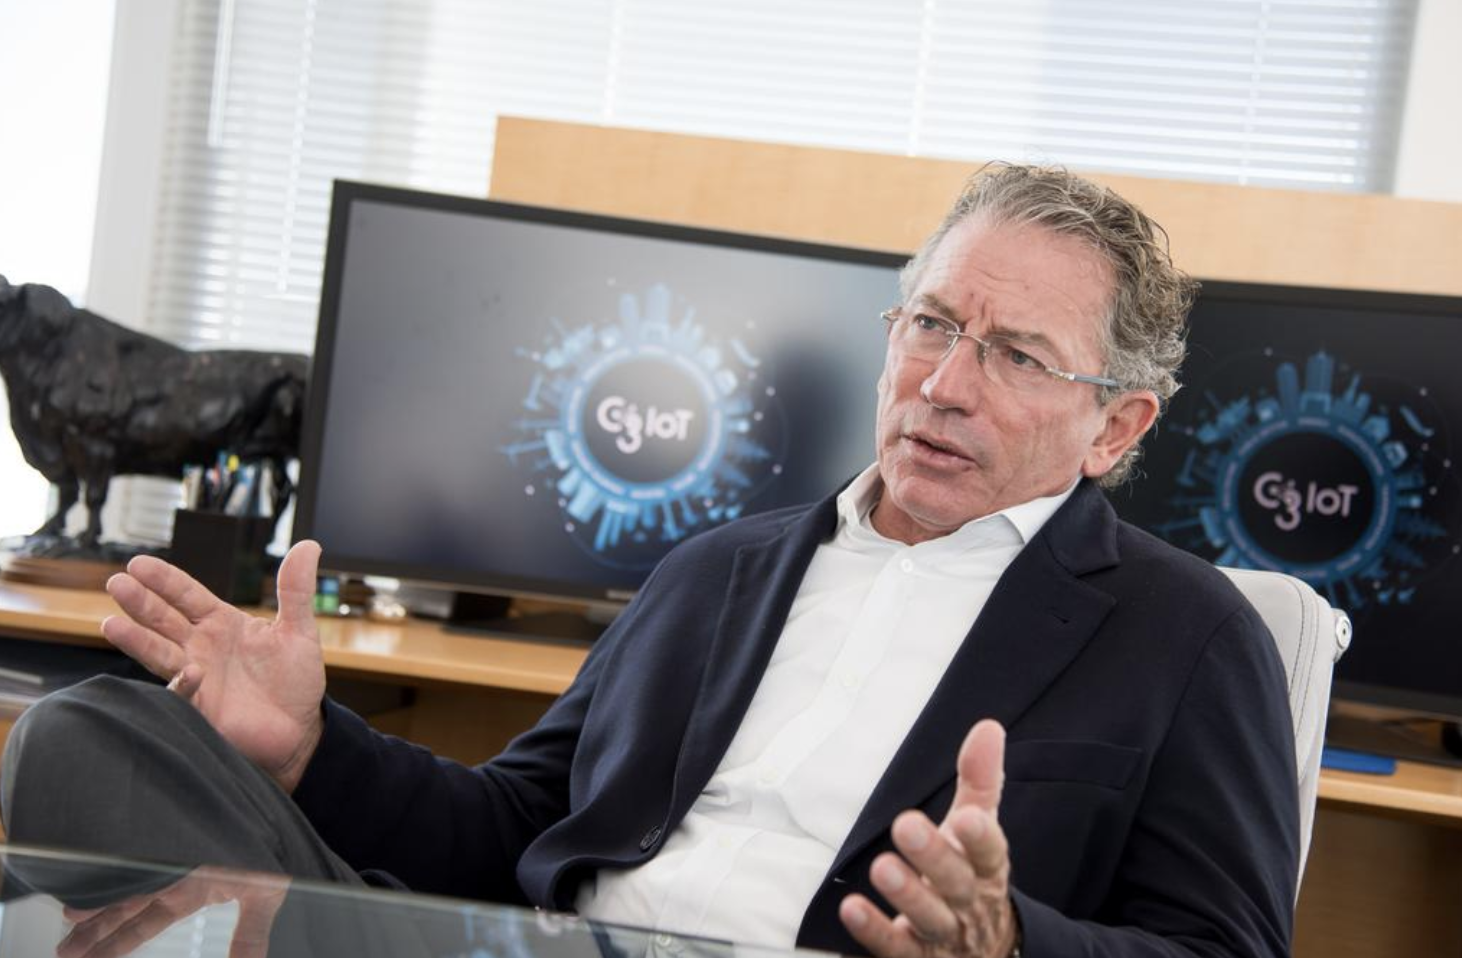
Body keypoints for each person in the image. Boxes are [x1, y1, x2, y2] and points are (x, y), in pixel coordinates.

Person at [1, 163, 1298, 958]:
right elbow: (515, 832)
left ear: (1116, 426)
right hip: (534, 949)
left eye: (1014, 354)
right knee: (92, 733)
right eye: (931, 324)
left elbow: (1223, 947)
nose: (944, 382)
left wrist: (1006, 942)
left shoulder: (1185, 636)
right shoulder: (715, 569)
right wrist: (305, 748)